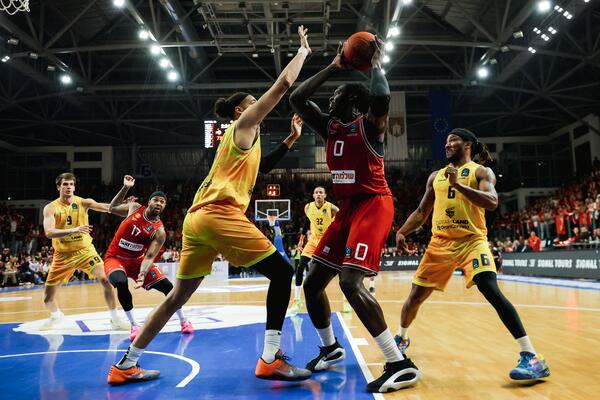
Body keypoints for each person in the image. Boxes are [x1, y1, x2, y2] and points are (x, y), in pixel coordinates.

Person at [108, 26, 312, 385]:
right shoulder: (244, 124)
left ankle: (126, 364)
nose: (258, 106)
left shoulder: (244, 143)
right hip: (220, 215)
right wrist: (303, 52)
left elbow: (262, 167)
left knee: (176, 298)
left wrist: (290, 141)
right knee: (282, 274)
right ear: (241, 110)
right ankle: (269, 357)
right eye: (253, 102)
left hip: (196, 219)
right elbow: (282, 85)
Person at [290, 37, 419, 393]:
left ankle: (399, 363)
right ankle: (330, 347)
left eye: (335, 96)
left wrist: (375, 63)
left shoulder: (370, 127)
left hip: (373, 204)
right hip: (347, 208)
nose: (329, 100)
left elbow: (381, 98)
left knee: (349, 282)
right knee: (312, 282)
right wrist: (333, 67)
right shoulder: (330, 127)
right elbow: (297, 98)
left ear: (352, 103)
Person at [395, 128, 550, 380]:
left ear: (467, 144)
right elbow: (422, 211)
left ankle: (531, 356)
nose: (447, 145)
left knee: (490, 289)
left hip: (472, 240)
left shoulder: (481, 172)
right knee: (415, 297)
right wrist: (402, 232)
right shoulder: (436, 176)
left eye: (453, 140)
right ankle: (401, 337)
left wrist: (458, 184)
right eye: (446, 142)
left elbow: (492, 201)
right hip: (440, 243)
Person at [104, 175, 193, 342]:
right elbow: (112, 207)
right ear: (149, 202)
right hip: (115, 258)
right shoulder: (134, 207)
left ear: (164, 206)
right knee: (121, 283)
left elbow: (150, 256)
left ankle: (184, 321)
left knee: (169, 287)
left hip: (138, 261)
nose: (159, 203)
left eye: (162, 202)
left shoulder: (159, 232)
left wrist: (142, 273)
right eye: (156, 200)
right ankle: (134, 325)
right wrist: (125, 187)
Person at [41, 172, 128, 330]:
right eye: (65, 184)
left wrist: (125, 191)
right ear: (58, 187)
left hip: (85, 251)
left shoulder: (83, 202)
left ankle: (115, 319)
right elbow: (49, 232)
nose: (68, 187)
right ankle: (56, 316)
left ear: (74, 187)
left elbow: (109, 208)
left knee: (106, 280)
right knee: (47, 299)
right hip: (62, 256)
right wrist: (74, 230)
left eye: (71, 184)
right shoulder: (51, 208)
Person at [291, 186, 338, 314]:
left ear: (325, 195)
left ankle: (346, 302)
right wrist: (301, 241)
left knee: (334, 270)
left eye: (321, 192)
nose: (318, 194)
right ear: (313, 195)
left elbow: (341, 222)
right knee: (300, 267)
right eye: (316, 192)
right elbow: (307, 223)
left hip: (326, 241)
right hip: (313, 240)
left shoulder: (332, 208)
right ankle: (297, 300)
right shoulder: (308, 207)